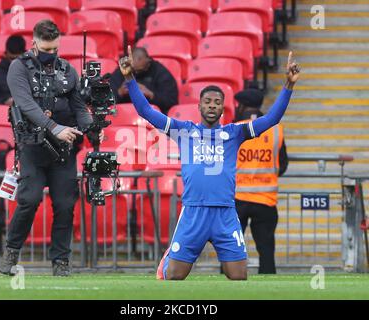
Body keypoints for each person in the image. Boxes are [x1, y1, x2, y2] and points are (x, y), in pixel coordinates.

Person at [119, 46, 300, 280]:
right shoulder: (183, 131)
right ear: (200, 106)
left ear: (223, 109)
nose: (212, 105)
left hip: (225, 213)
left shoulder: (235, 133)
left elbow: (272, 118)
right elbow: (144, 110)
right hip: (194, 211)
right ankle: (167, 262)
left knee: (238, 277)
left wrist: (289, 85)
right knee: (174, 277)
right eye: (208, 101)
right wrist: (130, 79)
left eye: (217, 102)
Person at [0, 20, 102, 277]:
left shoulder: (67, 70)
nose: (51, 53)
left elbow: (78, 106)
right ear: (34, 43)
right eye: (46, 48)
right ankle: (11, 251)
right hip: (33, 147)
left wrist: (91, 126)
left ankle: (60, 261)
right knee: (29, 200)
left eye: (55, 48)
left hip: (64, 149)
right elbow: (26, 104)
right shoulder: (18, 67)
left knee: (66, 205)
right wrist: (54, 127)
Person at [234, 88, 289, 274]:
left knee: (230, 249)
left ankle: (225, 285)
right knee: (266, 251)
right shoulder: (275, 130)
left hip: (237, 198)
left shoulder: (234, 128)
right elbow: (282, 165)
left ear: (241, 106)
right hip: (265, 200)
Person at [110, 47, 178, 114]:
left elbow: (171, 101)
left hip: (152, 116)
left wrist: (151, 95)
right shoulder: (122, 70)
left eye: (140, 70)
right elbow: (105, 101)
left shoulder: (160, 72)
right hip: (124, 114)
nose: (136, 73)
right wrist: (119, 92)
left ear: (148, 63)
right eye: (133, 71)